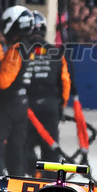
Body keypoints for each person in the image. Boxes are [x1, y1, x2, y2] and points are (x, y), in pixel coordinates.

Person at [0, 6, 34, 176]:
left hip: (9, 103)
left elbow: (2, 82)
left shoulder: (16, 49)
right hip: (22, 103)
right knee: (16, 148)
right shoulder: (28, 47)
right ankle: (17, 187)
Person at [24, 10, 70, 164]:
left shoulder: (19, 50)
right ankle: (47, 181)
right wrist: (60, 107)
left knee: (22, 147)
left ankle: (27, 175)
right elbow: (65, 82)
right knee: (51, 149)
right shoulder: (56, 52)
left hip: (26, 106)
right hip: (50, 106)